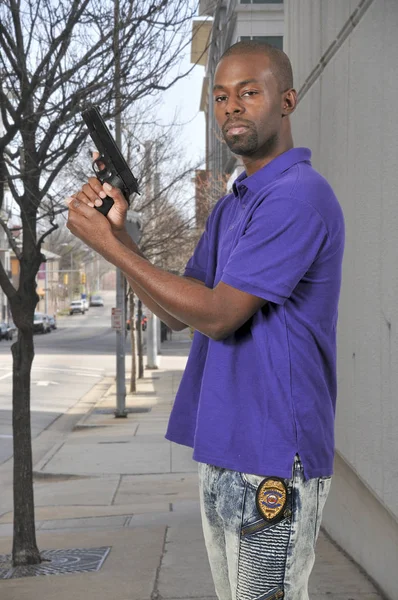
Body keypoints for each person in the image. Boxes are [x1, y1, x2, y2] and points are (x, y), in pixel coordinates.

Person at [66, 41, 345, 600]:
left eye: (249, 92)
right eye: (220, 97)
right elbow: (181, 311)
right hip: (225, 447)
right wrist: (118, 238)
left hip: (272, 458)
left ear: (287, 100)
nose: (231, 107)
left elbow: (220, 317)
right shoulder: (237, 202)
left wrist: (113, 249)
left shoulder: (297, 197)